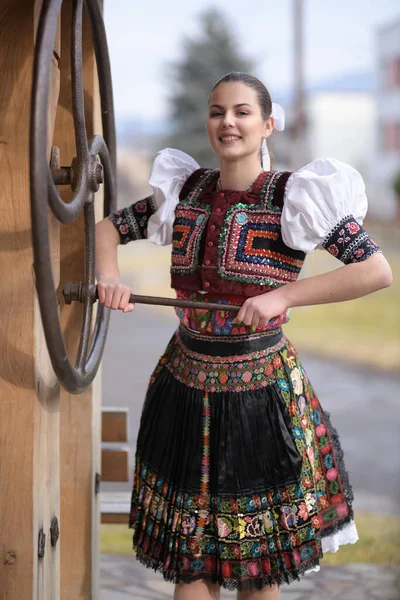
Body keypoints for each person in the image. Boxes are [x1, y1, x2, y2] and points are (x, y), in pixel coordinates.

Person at [95, 72, 393, 600]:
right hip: (182, 385)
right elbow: (108, 228)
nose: (227, 122)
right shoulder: (184, 191)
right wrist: (109, 277)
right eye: (217, 112)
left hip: (259, 394)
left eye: (241, 112)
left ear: (267, 124)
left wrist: (283, 296)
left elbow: (374, 269)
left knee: (253, 571)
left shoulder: (296, 196)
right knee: (192, 563)